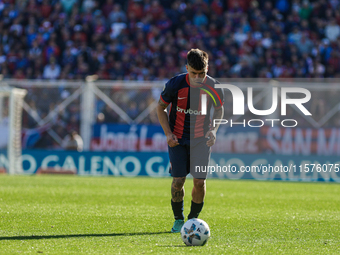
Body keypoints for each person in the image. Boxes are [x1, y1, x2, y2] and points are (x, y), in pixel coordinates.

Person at [156, 49, 224, 233]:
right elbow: (160, 108)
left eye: (202, 73)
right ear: (187, 68)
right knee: (178, 181)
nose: (198, 77)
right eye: (194, 73)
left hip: (201, 140)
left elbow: (219, 110)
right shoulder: (175, 84)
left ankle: (193, 220)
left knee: (199, 182)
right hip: (177, 139)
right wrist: (168, 134)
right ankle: (178, 219)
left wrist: (214, 130)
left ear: (207, 69)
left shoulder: (214, 87)